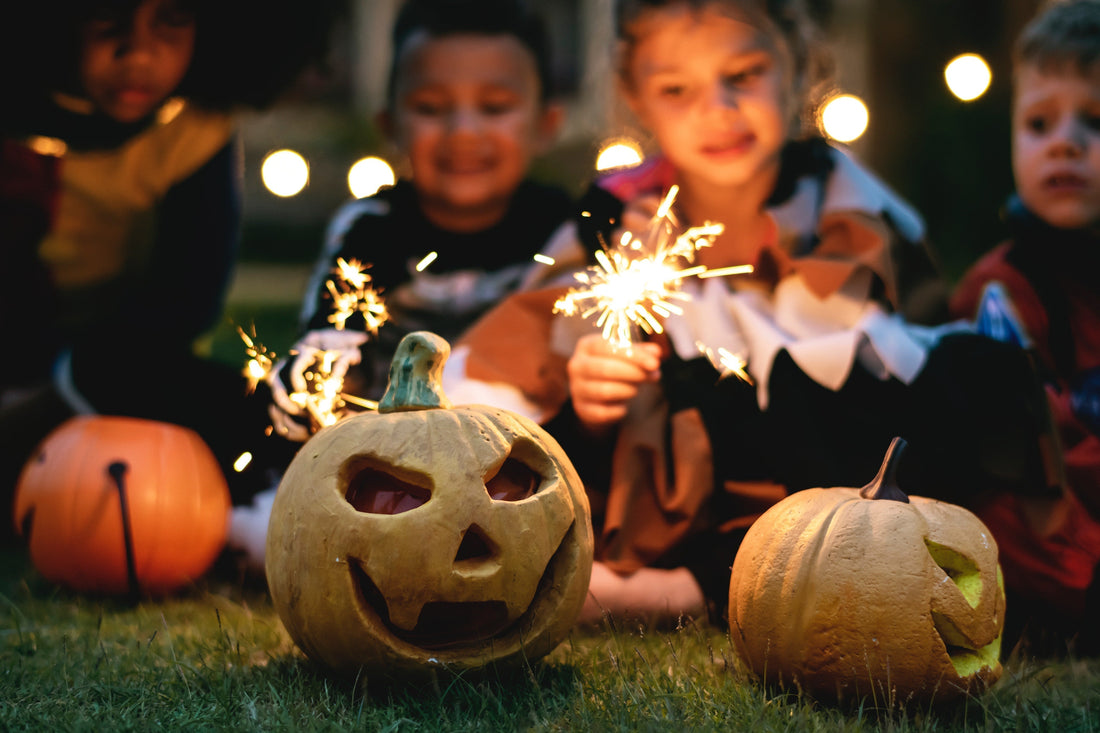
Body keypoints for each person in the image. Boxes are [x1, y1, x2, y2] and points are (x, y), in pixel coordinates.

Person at [448, 0, 1057, 627]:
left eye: (743, 77)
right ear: (638, 99)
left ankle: (701, 588)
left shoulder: (853, 210)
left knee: (946, 382)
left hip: (820, 459)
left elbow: (907, 341)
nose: (718, 109)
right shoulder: (612, 224)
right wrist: (591, 398)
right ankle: (666, 578)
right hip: (669, 472)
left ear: (794, 69)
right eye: (677, 89)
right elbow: (532, 355)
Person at [0, 0, 341, 543]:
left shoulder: (192, 133)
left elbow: (184, 305)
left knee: (255, 410)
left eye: (173, 19)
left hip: (114, 373)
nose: (138, 52)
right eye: (106, 17)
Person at [265, 0, 572, 442]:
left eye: (495, 107)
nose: (463, 131)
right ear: (390, 125)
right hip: (391, 458)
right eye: (430, 107)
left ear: (547, 123)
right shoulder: (372, 230)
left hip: (526, 457)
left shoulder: (565, 230)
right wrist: (313, 379)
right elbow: (328, 341)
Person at [950, 0, 1100, 655]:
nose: (1065, 142)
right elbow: (1032, 462)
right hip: (1057, 531)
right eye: (1039, 123)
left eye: (1095, 122)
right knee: (1000, 496)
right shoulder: (1001, 289)